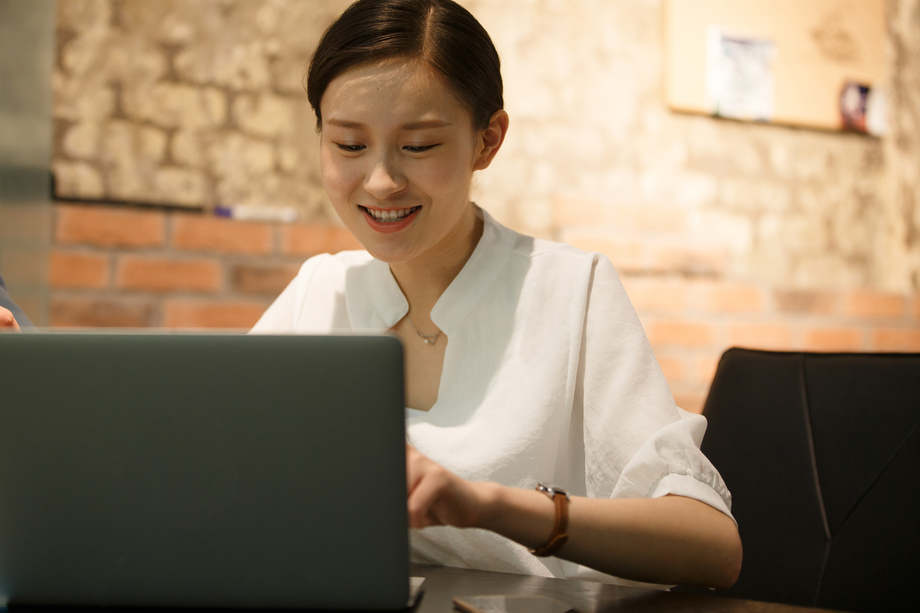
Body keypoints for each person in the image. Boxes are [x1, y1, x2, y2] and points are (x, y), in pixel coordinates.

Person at [252, 0, 742, 588]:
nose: (381, 181)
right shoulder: (319, 291)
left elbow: (712, 547)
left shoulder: (569, 289)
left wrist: (493, 507)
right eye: (349, 146)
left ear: (488, 140)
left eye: (420, 146)